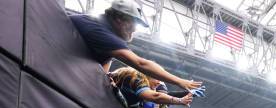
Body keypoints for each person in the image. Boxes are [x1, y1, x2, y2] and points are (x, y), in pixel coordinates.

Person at [69, 0, 202, 91]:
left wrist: (105, 77)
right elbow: (141, 64)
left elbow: (102, 65)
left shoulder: (102, 28)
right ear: (119, 19)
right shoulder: (99, 29)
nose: (135, 29)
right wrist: (180, 81)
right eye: (134, 23)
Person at [109, 67, 193, 108]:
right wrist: (180, 100)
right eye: (158, 79)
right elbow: (155, 97)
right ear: (148, 75)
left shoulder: (140, 86)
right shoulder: (137, 77)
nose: (159, 82)